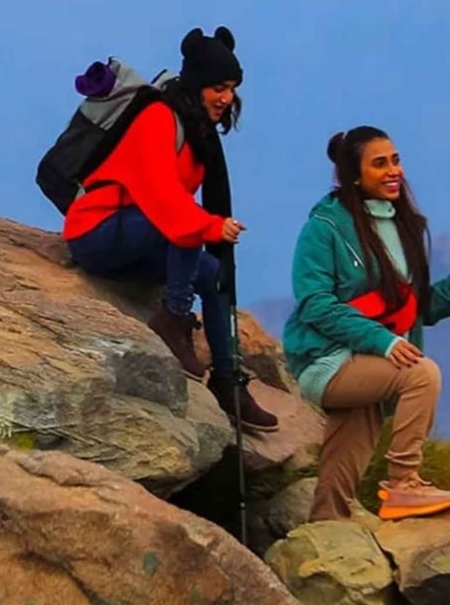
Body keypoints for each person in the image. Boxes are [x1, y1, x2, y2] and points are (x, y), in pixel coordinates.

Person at [62, 27, 278, 432]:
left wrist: (208, 229)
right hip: (96, 231)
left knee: (214, 275)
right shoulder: (158, 119)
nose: (227, 97)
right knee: (184, 226)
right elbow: (165, 203)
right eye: (218, 87)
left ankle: (230, 380)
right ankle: (173, 318)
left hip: (137, 238)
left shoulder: (196, 128)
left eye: (231, 88)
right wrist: (212, 226)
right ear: (197, 84)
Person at [284, 127, 450, 521]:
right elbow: (315, 303)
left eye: (395, 160)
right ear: (354, 176)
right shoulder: (324, 228)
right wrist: (384, 342)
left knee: (344, 459)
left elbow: (415, 306)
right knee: (421, 375)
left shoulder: (402, 224)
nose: (394, 170)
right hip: (326, 360)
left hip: (370, 361)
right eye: (380, 163)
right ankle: (403, 483)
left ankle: (326, 532)